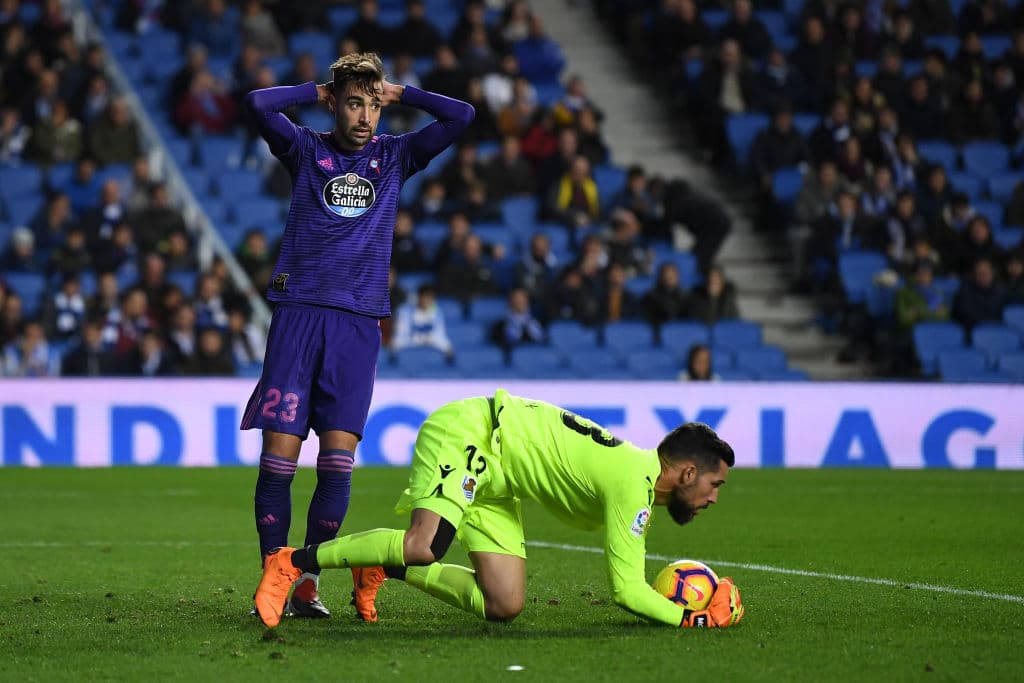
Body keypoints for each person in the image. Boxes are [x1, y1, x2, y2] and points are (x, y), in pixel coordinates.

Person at [241, 51, 474, 617]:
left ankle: (306, 580)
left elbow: (461, 116)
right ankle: (275, 571)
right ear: (334, 103)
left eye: (372, 104)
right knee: (279, 458)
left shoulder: (395, 157)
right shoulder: (306, 149)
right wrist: (315, 90)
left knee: (337, 462)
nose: (365, 115)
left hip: (358, 321)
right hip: (298, 312)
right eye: (353, 102)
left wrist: (404, 94)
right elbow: (256, 104)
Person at [254, 389, 744, 629]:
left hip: (502, 479)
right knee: (425, 544)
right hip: (473, 434)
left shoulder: (636, 482)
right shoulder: (632, 484)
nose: (714, 497)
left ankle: (381, 566)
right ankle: (291, 562)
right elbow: (627, 591)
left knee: (503, 604)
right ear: (685, 473)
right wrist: (693, 618)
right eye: (713, 483)